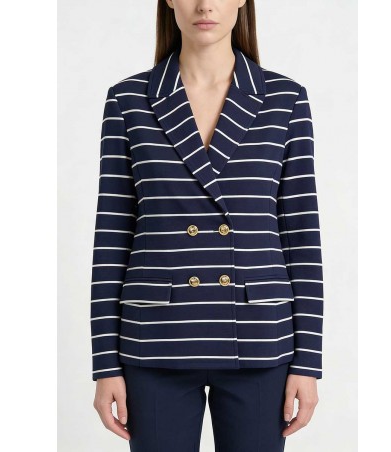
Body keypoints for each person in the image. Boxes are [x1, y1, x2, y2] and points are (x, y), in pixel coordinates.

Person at [90, 1, 324, 450]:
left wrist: (308, 360)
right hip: (155, 340)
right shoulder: (128, 99)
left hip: (259, 339)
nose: (205, 5)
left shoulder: (285, 99)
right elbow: (112, 238)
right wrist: (106, 363)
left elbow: (301, 237)